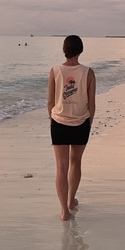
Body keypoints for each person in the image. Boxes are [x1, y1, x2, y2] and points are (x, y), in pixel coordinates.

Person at [48, 35, 96, 221]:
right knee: (75, 162)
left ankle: (63, 211)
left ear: (64, 49)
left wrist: (51, 118)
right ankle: (70, 200)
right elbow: (91, 103)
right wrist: (89, 122)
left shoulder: (55, 71)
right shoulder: (88, 72)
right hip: (81, 121)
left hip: (59, 121)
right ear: (80, 50)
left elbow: (51, 101)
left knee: (61, 166)